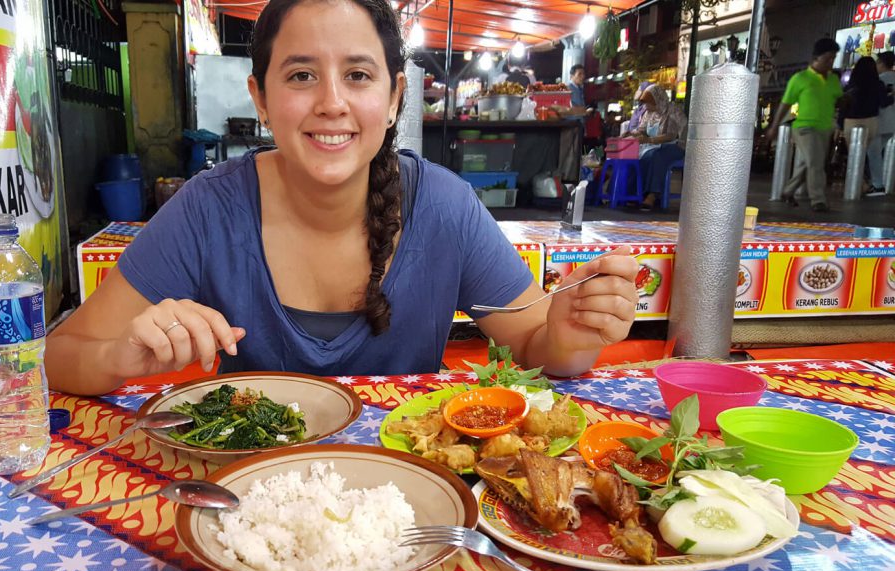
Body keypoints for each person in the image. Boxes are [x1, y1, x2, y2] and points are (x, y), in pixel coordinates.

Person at [45, 0, 640, 396]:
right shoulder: (209, 210)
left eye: (358, 75)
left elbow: (542, 349)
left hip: (409, 510)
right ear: (260, 97)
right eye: (301, 75)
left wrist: (574, 330)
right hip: (249, 507)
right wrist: (124, 355)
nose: (331, 102)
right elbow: (57, 354)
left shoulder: (445, 208)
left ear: (394, 95)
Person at [766, 38, 843, 212]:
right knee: (816, 162)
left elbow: (838, 99)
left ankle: (788, 191)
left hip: (824, 128)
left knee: (810, 162)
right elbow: (785, 104)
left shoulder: (833, 80)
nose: (831, 62)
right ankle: (818, 200)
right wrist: (774, 126)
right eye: (828, 58)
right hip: (804, 127)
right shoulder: (800, 78)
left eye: (833, 58)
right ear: (817, 57)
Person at [623, 85, 687, 211]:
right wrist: (631, 133)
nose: (646, 106)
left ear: (657, 100)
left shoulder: (672, 110)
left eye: (648, 103)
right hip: (655, 146)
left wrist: (649, 140)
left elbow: (671, 135)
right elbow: (642, 129)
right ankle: (636, 193)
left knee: (656, 157)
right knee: (641, 157)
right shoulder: (649, 113)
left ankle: (653, 195)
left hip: (675, 145)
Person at [838, 56, 892, 194]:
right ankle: (871, 185)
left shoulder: (851, 85)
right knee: (871, 153)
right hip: (871, 121)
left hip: (850, 122)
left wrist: (840, 126)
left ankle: (858, 185)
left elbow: (843, 107)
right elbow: (884, 103)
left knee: (854, 155)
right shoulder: (877, 84)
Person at [866, 51, 895, 196]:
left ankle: (878, 185)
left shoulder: (879, 80)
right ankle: (882, 183)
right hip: (892, 123)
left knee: (874, 153)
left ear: (882, 64)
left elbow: (880, 102)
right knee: (885, 154)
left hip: (879, 121)